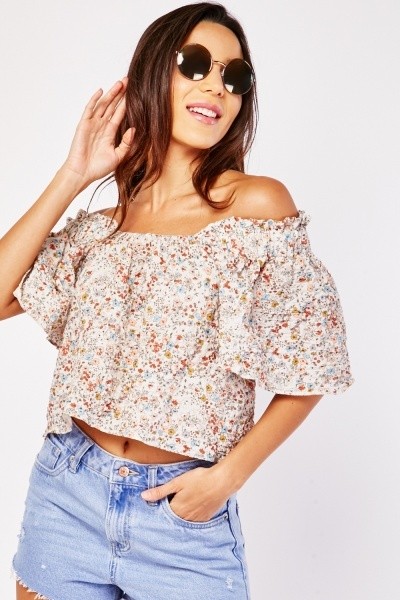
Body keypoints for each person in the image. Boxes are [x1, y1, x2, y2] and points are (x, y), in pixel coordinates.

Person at [0, 3, 354, 599]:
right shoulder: (105, 229)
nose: (217, 86)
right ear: (154, 73)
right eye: (195, 65)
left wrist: (226, 479)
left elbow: (314, 364)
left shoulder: (257, 209)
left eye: (234, 77)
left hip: (181, 521)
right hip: (67, 496)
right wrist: (73, 174)